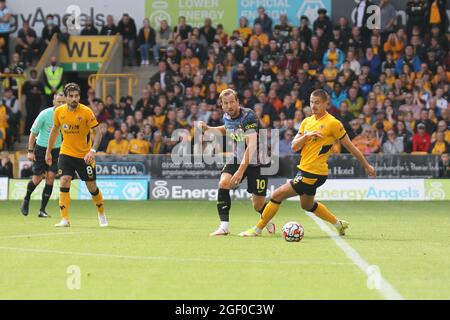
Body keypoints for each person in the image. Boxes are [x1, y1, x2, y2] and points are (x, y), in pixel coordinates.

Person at [238, 89, 376, 237]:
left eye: (317, 102)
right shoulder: (306, 122)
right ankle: (338, 224)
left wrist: (366, 165)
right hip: (305, 170)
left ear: (325, 104)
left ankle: (257, 229)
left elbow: (350, 146)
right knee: (307, 205)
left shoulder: (333, 123)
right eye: (311, 102)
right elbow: (294, 146)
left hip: (314, 171)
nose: (313, 105)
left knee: (277, 195)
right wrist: (306, 136)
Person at [198, 88, 275, 236]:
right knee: (223, 183)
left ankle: (266, 219)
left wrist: (240, 171)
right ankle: (224, 226)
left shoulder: (249, 116)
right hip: (238, 157)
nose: (229, 105)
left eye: (232, 102)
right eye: (225, 103)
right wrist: (208, 129)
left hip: (259, 161)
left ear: (238, 102)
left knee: (257, 204)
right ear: (222, 105)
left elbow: (251, 145)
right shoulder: (227, 116)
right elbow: (227, 129)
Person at [46, 83, 107, 228]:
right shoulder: (59, 112)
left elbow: (98, 132)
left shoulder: (86, 111)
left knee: (92, 187)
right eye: (71, 96)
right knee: (64, 180)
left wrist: (92, 151)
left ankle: (101, 213)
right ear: (66, 97)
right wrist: (48, 150)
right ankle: (65, 219)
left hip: (84, 156)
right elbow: (54, 131)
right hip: (66, 152)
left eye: (76, 96)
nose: (74, 99)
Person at [20, 93, 65, 218]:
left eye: (63, 102)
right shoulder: (45, 114)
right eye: (59, 102)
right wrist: (30, 151)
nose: (61, 104)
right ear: (54, 102)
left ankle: (42, 210)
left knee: (50, 177)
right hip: (41, 148)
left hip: (56, 149)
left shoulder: (66, 115)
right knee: (37, 179)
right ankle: (26, 198)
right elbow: (33, 133)